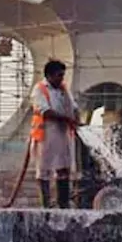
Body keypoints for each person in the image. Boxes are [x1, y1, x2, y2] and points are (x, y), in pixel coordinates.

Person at [30, 59, 78, 209]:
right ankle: (45, 205)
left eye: (62, 75)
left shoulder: (64, 89)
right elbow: (45, 111)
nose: (61, 79)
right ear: (49, 75)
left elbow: (74, 107)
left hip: (62, 135)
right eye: (59, 75)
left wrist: (77, 119)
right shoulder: (39, 89)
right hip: (46, 136)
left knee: (63, 169)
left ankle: (63, 204)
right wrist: (66, 118)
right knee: (44, 170)